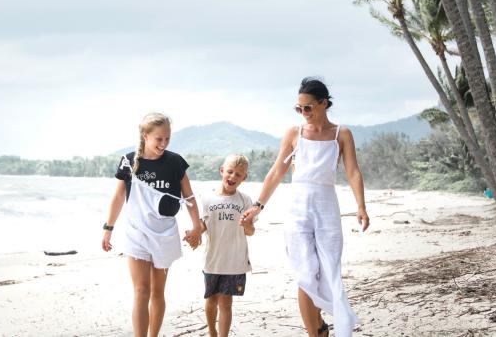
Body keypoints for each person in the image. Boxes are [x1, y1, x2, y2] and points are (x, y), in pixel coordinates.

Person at [242, 77, 370, 337]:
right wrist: (258, 205)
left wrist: (361, 206)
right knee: (305, 272)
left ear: (324, 103)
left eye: (308, 107)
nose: (303, 113)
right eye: (299, 109)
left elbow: (353, 172)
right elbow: (277, 171)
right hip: (298, 208)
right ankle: (315, 333)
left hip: (327, 208)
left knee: (328, 270)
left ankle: (321, 321)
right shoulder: (294, 133)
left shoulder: (341, 134)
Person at [102, 112, 203, 337]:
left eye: (167, 138)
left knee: (158, 292)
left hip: (164, 234)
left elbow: (189, 197)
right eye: (159, 139)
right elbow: (118, 198)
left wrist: (196, 227)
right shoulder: (129, 162)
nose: (164, 143)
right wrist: (108, 228)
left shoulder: (175, 162)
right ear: (145, 136)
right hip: (136, 233)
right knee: (141, 290)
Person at [200, 154, 255, 337]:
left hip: (235, 261)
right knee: (211, 300)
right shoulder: (207, 199)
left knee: (226, 303)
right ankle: (212, 332)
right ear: (222, 171)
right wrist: (194, 234)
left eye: (238, 175)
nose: (232, 177)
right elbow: (202, 225)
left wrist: (247, 225)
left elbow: (251, 231)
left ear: (244, 178)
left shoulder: (245, 201)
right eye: (230, 172)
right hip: (213, 259)